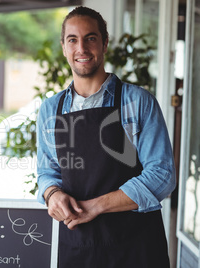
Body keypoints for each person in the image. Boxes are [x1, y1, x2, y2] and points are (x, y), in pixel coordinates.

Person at [37, 6, 176, 267]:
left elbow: (162, 176)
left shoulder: (137, 102)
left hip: (136, 247)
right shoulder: (49, 110)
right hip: (76, 247)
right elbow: (47, 172)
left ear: (104, 44)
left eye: (91, 38)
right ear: (64, 47)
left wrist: (95, 206)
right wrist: (52, 193)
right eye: (73, 40)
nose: (82, 48)